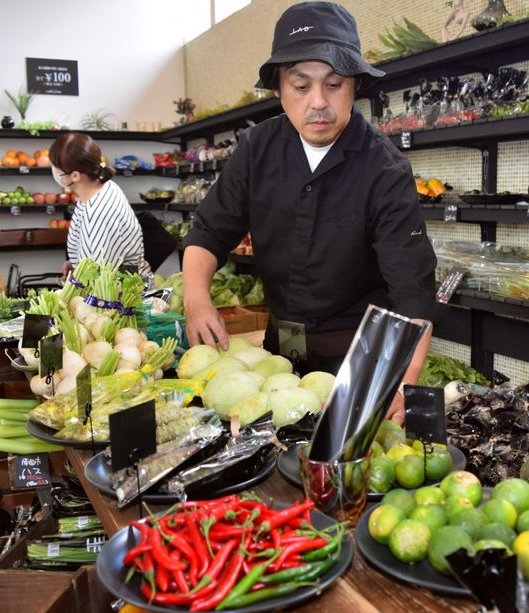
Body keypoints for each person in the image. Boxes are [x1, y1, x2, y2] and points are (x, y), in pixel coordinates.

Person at [182, 1, 438, 424]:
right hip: (279, 352)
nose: (318, 102)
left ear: (355, 86)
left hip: (359, 356)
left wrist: (402, 381)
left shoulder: (384, 168)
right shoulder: (256, 150)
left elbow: (413, 288)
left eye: (334, 84)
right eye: (301, 86)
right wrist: (196, 299)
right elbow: (209, 231)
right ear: (279, 90)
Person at [49, 133, 151, 277]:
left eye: (56, 167)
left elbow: (101, 276)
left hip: (121, 288)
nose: (54, 170)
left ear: (75, 176)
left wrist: (79, 275)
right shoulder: (102, 186)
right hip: (112, 280)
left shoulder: (99, 214)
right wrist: (76, 262)